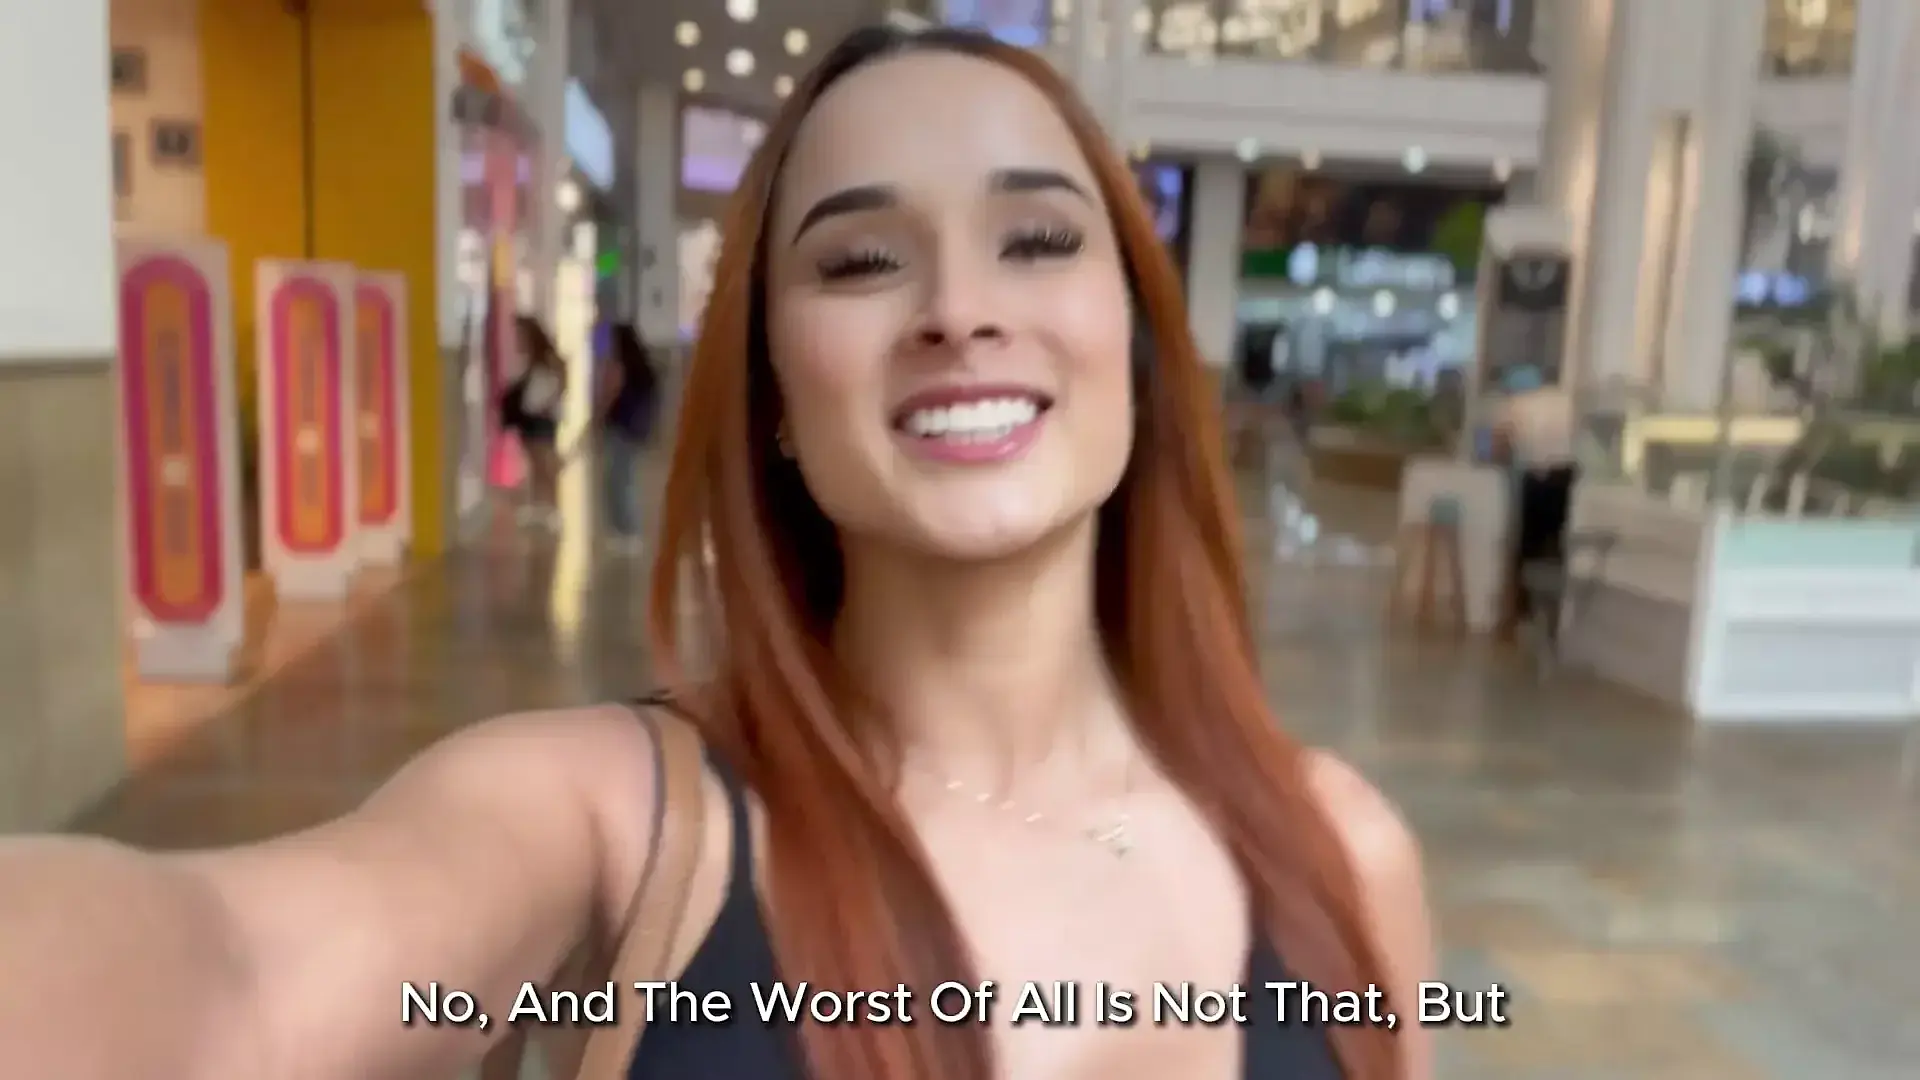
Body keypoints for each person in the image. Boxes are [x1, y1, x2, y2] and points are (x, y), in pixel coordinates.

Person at [2, 25, 1432, 1080]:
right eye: (861, 260)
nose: (959, 308)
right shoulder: (614, 827)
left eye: (1037, 240)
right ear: (776, 397)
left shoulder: (1344, 860)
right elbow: (234, 980)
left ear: (1135, 338)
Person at [1492, 365, 1578, 620]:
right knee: (1555, 538)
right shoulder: (1561, 400)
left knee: (1527, 541)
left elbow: (1501, 444)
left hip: (1537, 477)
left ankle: (1522, 604)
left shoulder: (1515, 405)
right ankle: (1555, 603)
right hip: (1565, 475)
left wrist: (1500, 462)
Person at [597, 323, 661, 555]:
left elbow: (609, 393)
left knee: (617, 481)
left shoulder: (618, 365)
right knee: (625, 480)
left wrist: (598, 418)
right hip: (636, 430)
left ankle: (626, 531)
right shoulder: (644, 369)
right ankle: (626, 531)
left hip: (619, 428)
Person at [503, 315, 568, 529]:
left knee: (545, 464)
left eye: (521, 333)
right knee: (534, 464)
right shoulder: (527, 358)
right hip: (529, 417)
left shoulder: (548, 359)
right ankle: (539, 507)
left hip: (543, 418)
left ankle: (553, 509)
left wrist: (549, 404)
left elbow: (561, 385)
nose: (518, 338)